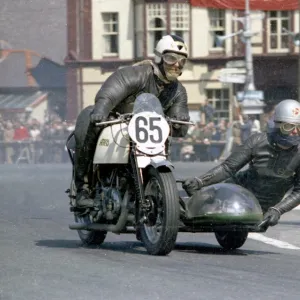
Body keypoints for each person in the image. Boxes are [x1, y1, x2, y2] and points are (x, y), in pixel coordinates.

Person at [74, 35, 190, 207]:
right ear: (159, 57)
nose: (176, 64)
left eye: (181, 60)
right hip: (115, 120)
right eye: (171, 58)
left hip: (145, 132)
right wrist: (101, 110)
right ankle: (83, 187)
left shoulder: (177, 90)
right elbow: (110, 93)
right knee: (91, 123)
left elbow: (179, 115)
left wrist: (180, 120)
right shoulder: (136, 74)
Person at [182, 99, 300, 227]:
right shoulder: (257, 141)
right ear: (277, 125)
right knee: (193, 212)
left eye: (298, 127)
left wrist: (278, 210)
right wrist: (200, 181)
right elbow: (228, 168)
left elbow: (299, 191)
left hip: (262, 208)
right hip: (235, 194)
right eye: (288, 126)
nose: (295, 132)